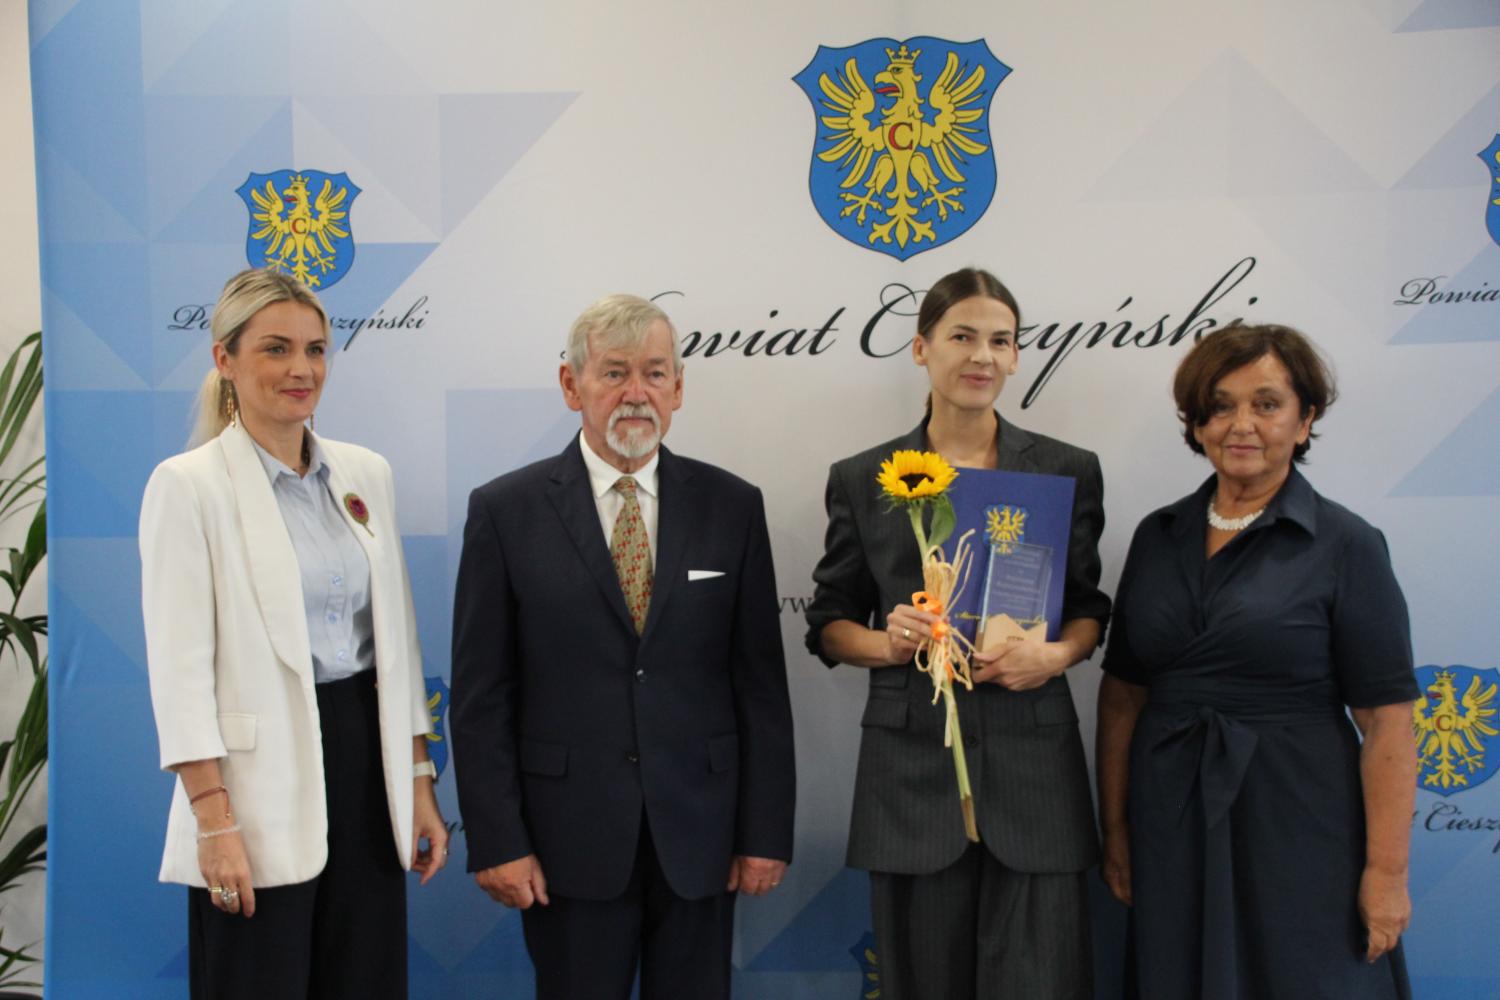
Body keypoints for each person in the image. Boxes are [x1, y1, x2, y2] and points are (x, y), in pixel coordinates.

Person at [449, 293, 796, 1000]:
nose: (636, 392)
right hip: (565, 844)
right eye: (614, 372)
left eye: (654, 373)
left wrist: (764, 832)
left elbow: (759, 685)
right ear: (571, 384)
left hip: (700, 839)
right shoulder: (505, 511)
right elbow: (482, 697)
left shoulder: (733, 506)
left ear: (678, 388)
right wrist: (498, 839)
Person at [140, 268, 448, 1000]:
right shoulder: (187, 486)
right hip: (251, 789)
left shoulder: (366, 472)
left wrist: (417, 781)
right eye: (275, 349)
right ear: (224, 359)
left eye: (314, 349)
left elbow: (396, 646)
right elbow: (180, 673)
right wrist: (213, 824)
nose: (301, 369)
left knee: (366, 981)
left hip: (366, 764)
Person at [805, 267, 1110, 1000]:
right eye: (963, 336)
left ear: (1016, 356)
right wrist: (887, 643)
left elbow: (1089, 609)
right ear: (921, 348)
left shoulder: (1067, 469)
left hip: (1035, 773)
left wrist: (1056, 655)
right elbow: (828, 625)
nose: (982, 356)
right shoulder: (864, 476)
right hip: (913, 778)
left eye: (1000, 341)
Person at [1095, 323, 1417, 999]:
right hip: (1170, 814)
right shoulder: (1157, 536)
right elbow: (1123, 696)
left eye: (1266, 404)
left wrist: (1387, 874)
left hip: (1299, 816)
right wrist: (1116, 828)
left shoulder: (1347, 544)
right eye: (1220, 406)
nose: (1241, 424)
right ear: (1197, 423)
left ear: (1305, 420)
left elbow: (1387, 720)